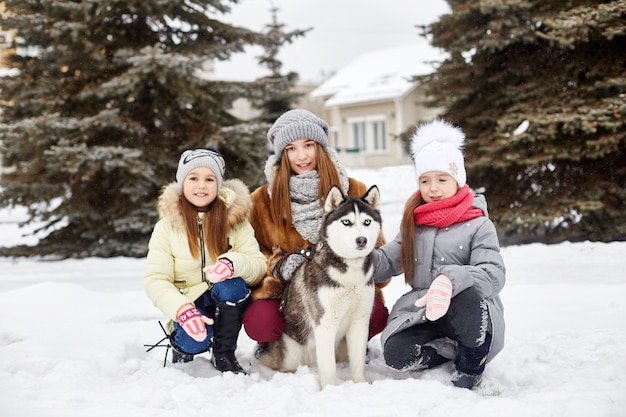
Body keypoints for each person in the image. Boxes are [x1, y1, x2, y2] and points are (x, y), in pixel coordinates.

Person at [373, 119, 506, 390]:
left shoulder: (479, 224)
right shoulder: (414, 223)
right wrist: (352, 259)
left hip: (468, 311)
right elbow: (387, 261)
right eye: (425, 180)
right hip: (423, 309)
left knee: (468, 295)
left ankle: (470, 363)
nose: (433, 188)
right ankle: (446, 351)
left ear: (458, 180)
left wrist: (450, 279)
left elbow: (494, 274)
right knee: (396, 354)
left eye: (442, 179)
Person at [242, 109, 390, 349]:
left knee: (375, 316)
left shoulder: (354, 189)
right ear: (282, 154)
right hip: (288, 295)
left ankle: (345, 343)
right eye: (291, 148)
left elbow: (379, 255)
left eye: (308, 145)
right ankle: (284, 346)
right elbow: (251, 252)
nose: (301, 156)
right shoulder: (260, 200)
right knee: (261, 323)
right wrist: (277, 264)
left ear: (320, 148)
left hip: (344, 286)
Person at [144, 148, 266, 374]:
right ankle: (182, 347)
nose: (201, 185)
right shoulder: (166, 227)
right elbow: (156, 279)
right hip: (188, 304)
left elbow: (258, 265)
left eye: (209, 179)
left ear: (218, 185)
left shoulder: (236, 221)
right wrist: (182, 310)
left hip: (222, 299)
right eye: (193, 178)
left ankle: (224, 353)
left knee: (233, 286)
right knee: (194, 340)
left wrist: (232, 263)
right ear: (182, 182)